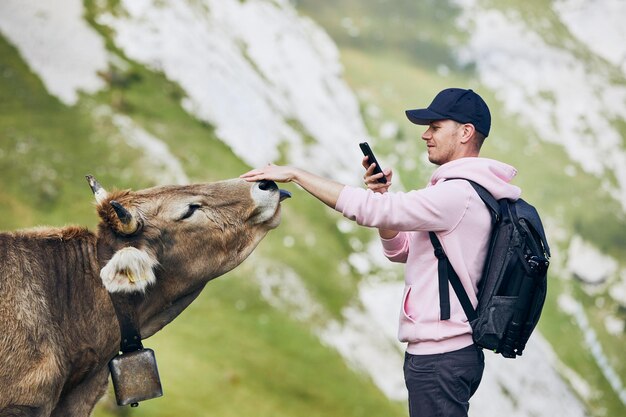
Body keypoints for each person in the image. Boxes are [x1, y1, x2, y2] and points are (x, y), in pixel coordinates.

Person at [241, 88, 521, 417]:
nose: (425, 134)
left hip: (440, 354)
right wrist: (383, 198)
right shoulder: (464, 192)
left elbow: (367, 211)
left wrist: (297, 174)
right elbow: (401, 249)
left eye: (435, 126)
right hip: (445, 352)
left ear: (465, 132)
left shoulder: (458, 194)